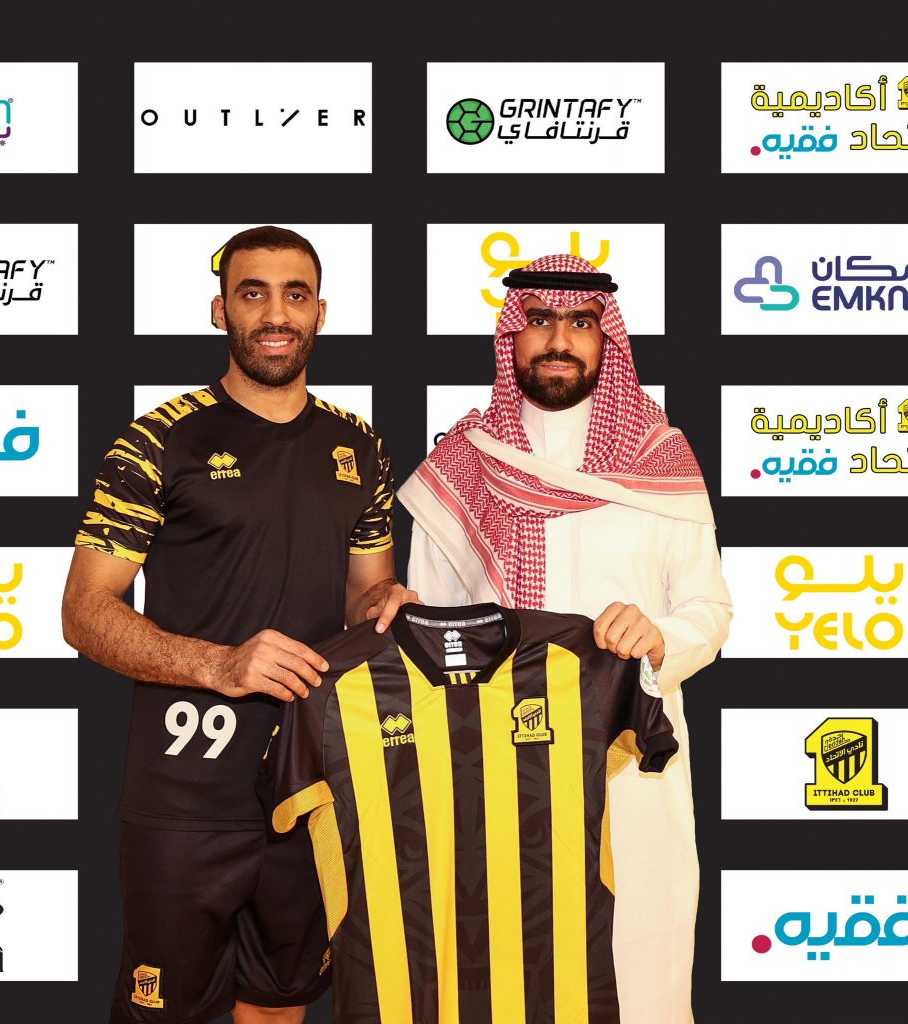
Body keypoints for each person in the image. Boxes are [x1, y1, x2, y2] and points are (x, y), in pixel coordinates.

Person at [62, 225, 416, 1024]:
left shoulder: (359, 446)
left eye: (295, 295)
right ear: (221, 310)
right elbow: (84, 613)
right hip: (185, 790)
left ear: (320, 312)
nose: (275, 314)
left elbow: (368, 593)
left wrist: (389, 605)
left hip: (312, 781)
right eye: (253, 293)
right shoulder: (158, 438)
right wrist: (220, 665)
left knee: (280, 1006)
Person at [400, 252, 732, 1024]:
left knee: (638, 969)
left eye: (580, 322)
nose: (559, 339)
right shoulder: (462, 465)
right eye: (540, 319)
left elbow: (709, 609)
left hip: (630, 765)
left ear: (605, 337)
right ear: (510, 336)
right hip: (491, 770)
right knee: (504, 974)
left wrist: (658, 635)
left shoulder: (661, 457)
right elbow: (431, 630)